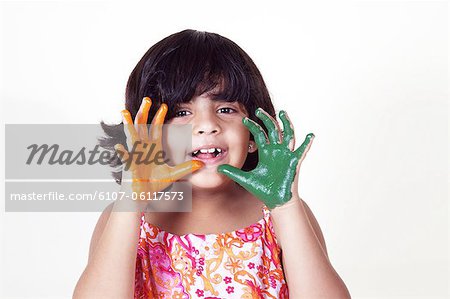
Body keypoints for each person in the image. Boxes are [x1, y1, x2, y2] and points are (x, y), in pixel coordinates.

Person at [73, 29, 351, 298]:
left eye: (226, 109)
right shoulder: (127, 217)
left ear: (254, 134)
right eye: (182, 112)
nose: (207, 126)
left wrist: (288, 207)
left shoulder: (278, 215)